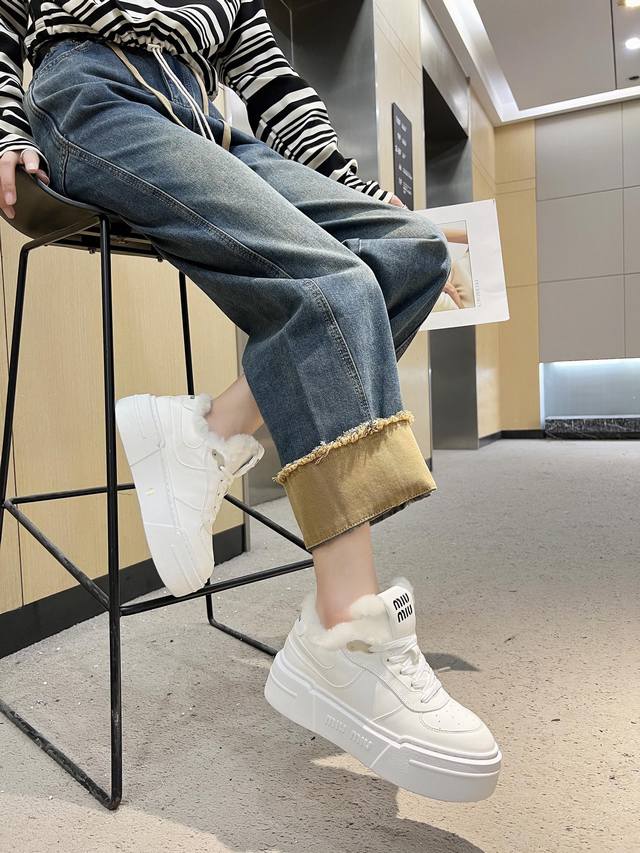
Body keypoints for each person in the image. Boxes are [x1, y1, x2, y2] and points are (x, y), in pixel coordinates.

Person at [0, 0, 501, 801]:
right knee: (334, 287)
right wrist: (5, 129)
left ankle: (213, 426)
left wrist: (359, 192)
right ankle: (344, 628)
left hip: (208, 121)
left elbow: (272, 85)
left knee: (412, 251)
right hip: (90, 98)